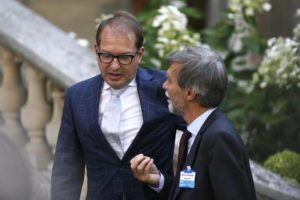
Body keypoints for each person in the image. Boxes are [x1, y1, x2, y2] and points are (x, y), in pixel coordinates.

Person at [51, 10, 184, 200]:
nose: (114, 66)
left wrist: (169, 182)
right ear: (96, 50)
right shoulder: (77, 96)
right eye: (106, 55)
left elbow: (202, 133)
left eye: (124, 57)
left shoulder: (164, 87)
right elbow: (67, 169)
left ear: (140, 54)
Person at [130, 46, 257, 200]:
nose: (164, 85)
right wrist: (158, 180)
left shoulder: (219, 138)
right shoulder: (199, 132)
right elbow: (194, 192)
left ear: (190, 93)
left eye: (170, 80)